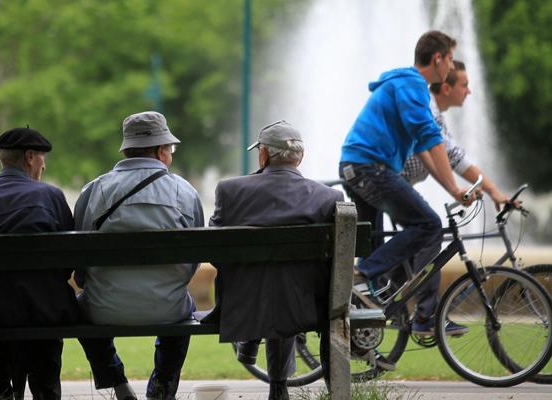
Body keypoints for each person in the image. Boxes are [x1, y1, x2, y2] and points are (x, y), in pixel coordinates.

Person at [339, 30, 476, 350]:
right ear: (438, 58)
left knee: (379, 241)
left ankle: (375, 316)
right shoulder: (412, 85)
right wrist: (457, 190)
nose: (451, 67)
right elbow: (431, 138)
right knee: (427, 225)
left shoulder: (405, 86)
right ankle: (363, 274)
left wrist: (452, 189)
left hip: (360, 166)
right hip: (369, 168)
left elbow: (426, 151)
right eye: (450, 60)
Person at [74, 111, 204, 400]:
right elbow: (193, 259)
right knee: (188, 304)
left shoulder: (94, 190)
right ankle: (162, 386)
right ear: (161, 151)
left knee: (78, 306)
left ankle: (118, 384)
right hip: (168, 308)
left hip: (103, 307)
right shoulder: (185, 192)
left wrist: (89, 282)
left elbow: (79, 260)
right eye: (170, 150)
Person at [209, 121, 344, 400]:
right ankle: (291, 387)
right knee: (286, 286)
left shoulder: (231, 191)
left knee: (272, 285)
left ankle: (257, 351)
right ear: (300, 157)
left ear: (263, 155)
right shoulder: (329, 197)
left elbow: (214, 252)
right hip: (309, 305)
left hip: (245, 302)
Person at [0, 127, 83, 400]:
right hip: (43, 312)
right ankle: (45, 391)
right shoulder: (50, 197)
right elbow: (68, 263)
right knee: (43, 347)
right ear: (30, 157)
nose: (44, 164)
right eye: (42, 157)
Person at [399, 60, 512, 336]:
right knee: (429, 230)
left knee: (416, 240)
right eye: (465, 85)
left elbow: (451, 154)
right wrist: (492, 190)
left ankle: (399, 303)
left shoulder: (436, 113)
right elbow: (452, 154)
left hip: (395, 182)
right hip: (388, 181)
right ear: (446, 87)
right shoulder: (430, 110)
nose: (469, 91)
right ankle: (425, 315)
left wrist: (482, 189)